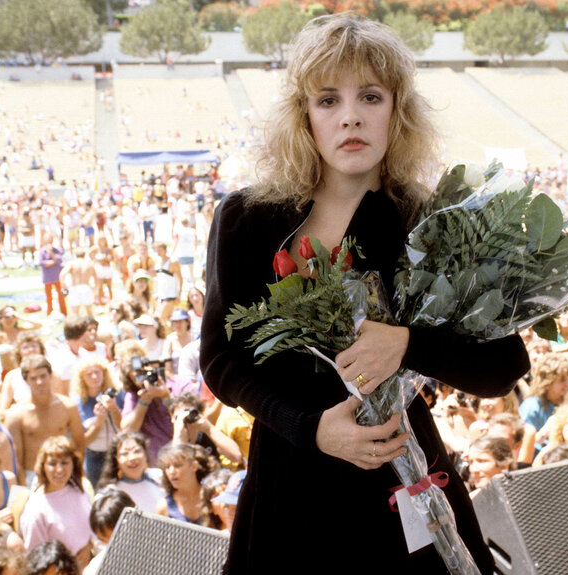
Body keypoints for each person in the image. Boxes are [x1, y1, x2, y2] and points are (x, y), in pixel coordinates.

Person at [199, 15, 530, 574]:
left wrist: (407, 345)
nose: (350, 115)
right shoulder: (246, 218)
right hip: (288, 487)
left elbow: (503, 367)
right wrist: (311, 429)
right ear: (303, 115)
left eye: (370, 96)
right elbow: (221, 361)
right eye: (328, 100)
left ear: (397, 110)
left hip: (403, 481)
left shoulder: (434, 222)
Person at [4, 356, 85, 485]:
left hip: (63, 472)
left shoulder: (68, 406)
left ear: (50, 376)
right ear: (26, 381)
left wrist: (76, 473)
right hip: (32, 476)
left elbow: (79, 444)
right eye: (33, 378)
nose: (39, 382)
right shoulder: (16, 414)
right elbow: (15, 458)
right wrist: (22, 486)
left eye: (43, 376)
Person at [18, 436, 92, 572]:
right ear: (43, 466)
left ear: (73, 464)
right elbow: (37, 559)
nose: (59, 469)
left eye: (64, 463)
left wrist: (88, 547)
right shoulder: (35, 510)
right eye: (52, 463)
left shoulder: (80, 490)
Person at [71, 357, 123, 489]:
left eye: (98, 372)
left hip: (119, 451)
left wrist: (114, 409)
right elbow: (83, 442)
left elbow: (126, 427)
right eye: (89, 374)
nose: (94, 377)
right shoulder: (77, 403)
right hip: (95, 457)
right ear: (82, 378)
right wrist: (98, 422)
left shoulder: (117, 394)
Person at [96, 432, 165, 513]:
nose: (132, 458)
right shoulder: (110, 492)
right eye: (124, 454)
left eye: (137, 451)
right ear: (116, 461)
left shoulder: (159, 478)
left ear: (145, 454)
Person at [155, 442, 213, 525]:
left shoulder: (212, 498)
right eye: (167, 467)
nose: (171, 472)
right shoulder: (164, 507)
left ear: (194, 466)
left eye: (178, 465)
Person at [37, 236, 66, 318]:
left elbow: (60, 260)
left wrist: (51, 254)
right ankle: (49, 313)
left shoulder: (58, 250)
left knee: (61, 296)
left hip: (57, 277)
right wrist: (54, 261)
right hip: (48, 278)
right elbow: (42, 263)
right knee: (49, 297)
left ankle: (64, 313)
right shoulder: (42, 251)